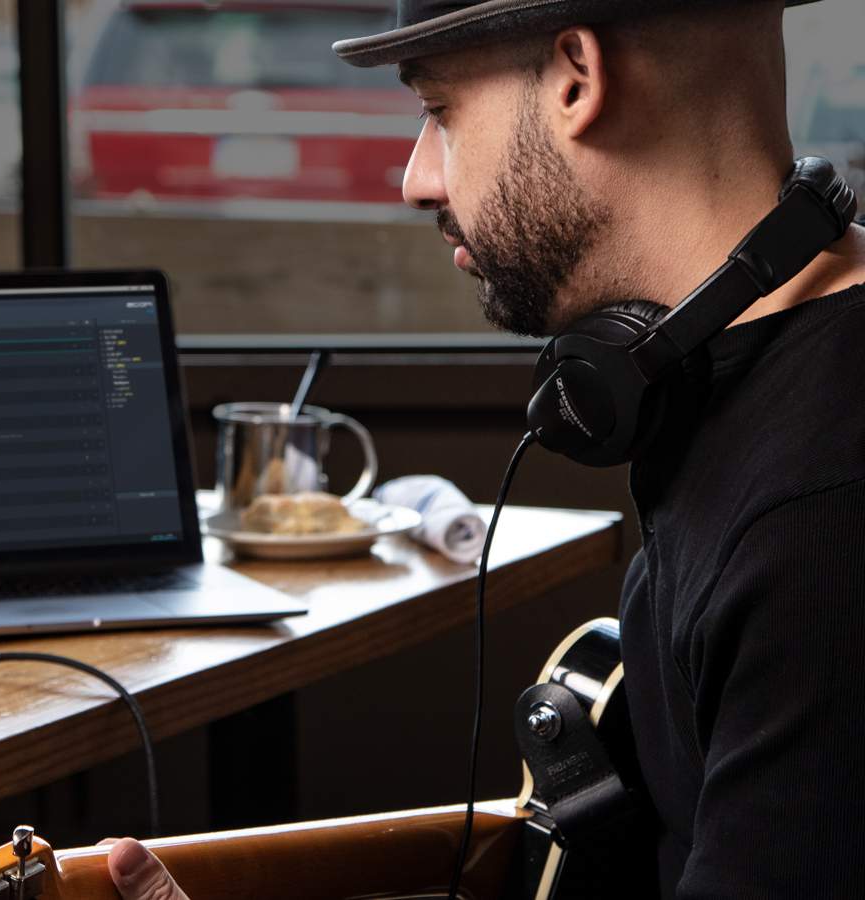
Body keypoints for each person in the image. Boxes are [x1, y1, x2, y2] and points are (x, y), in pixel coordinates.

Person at [105, 0, 865, 897]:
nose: (417, 180)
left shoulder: (819, 523)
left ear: (577, 78)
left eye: (437, 112)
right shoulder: (738, 392)